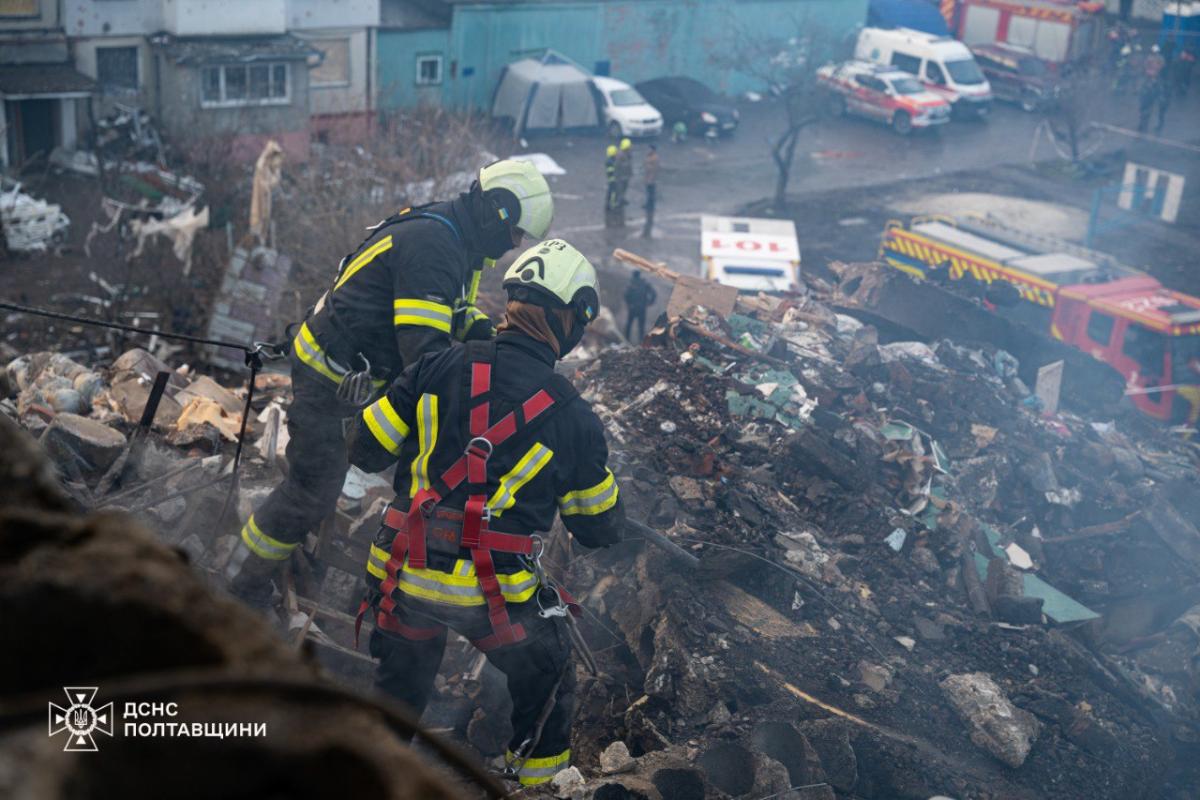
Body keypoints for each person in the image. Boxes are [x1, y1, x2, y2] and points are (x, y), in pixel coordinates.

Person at [350, 239, 624, 788]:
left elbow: (366, 449)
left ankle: (371, 775)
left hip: (403, 575)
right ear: (570, 318)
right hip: (493, 598)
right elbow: (598, 528)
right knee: (548, 679)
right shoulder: (573, 416)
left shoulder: (435, 366)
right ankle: (539, 785)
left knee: (400, 685)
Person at [223, 159, 554, 606]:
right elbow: (426, 356)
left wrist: (492, 343)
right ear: (497, 209)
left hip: (353, 374)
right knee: (311, 489)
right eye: (515, 232)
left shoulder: (454, 235)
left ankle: (307, 567)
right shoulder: (434, 246)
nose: (515, 243)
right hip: (329, 379)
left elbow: (452, 312)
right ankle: (238, 583)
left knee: (365, 466)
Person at [623, 270, 657, 342]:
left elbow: (626, 295)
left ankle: (626, 341)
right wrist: (650, 302)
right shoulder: (644, 283)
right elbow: (653, 293)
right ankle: (640, 342)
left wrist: (629, 304)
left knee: (630, 325)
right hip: (641, 308)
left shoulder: (631, 283)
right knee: (641, 326)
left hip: (633, 308)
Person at [641, 144, 659, 238]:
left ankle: (650, 205)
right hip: (648, 177)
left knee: (651, 193)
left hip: (651, 178)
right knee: (648, 192)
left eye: (649, 149)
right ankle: (648, 204)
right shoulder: (649, 156)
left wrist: (647, 166)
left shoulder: (654, 158)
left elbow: (653, 169)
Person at [614, 138, 633, 213]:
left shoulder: (628, 154)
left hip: (626, 175)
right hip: (621, 175)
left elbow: (630, 163)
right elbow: (617, 165)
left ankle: (622, 199)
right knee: (620, 189)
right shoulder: (620, 154)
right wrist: (617, 175)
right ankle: (618, 202)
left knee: (625, 188)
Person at [604, 144, 620, 228]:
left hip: (611, 180)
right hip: (613, 180)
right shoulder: (611, 162)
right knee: (613, 193)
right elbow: (612, 172)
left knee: (610, 193)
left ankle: (609, 205)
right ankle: (612, 207)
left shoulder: (610, 160)